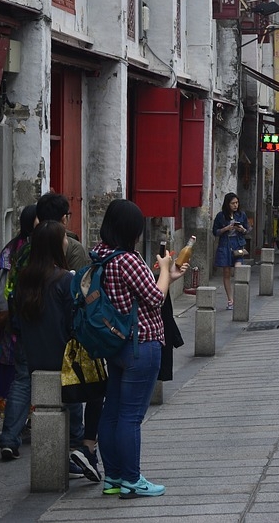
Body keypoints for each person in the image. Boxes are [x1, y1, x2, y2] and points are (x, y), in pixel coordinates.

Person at [93, 198, 186, 497]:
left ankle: (114, 478)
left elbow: (145, 293)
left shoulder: (101, 255)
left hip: (116, 343)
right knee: (131, 417)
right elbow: (156, 299)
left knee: (112, 412)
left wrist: (166, 278)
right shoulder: (128, 260)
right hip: (141, 343)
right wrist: (164, 269)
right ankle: (132, 479)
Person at [8, 220, 100, 482]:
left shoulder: (23, 279)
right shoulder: (65, 279)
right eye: (63, 238)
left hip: (35, 358)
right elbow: (76, 320)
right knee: (93, 393)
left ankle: (72, 449)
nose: (67, 242)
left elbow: (16, 322)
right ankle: (78, 448)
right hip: (64, 359)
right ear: (55, 244)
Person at [0, 205, 36, 448]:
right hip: (21, 323)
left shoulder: (11, 247)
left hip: (10, 322)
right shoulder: (29, 251)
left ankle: (12, 426)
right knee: (22, 375)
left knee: (12, 374)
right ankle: (20, 424)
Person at [212, 193, 250, 310]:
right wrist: (226, 228)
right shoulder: (221, 216)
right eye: (233, 203)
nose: (235, 205)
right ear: (227, 204)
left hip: (237, 244)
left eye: (237, 203)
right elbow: (215, 231)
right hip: (225, 245)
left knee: (239, 270)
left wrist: (242, 229)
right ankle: (230, 300)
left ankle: (240, 296)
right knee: (226, 273)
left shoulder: (241, 215)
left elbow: (247, 230)